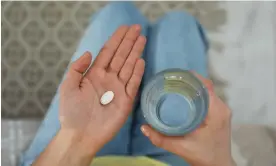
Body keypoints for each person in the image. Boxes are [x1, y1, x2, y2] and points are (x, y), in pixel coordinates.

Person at [21, 2, 235, 166]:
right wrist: (219, 161)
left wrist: (75, 136)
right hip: (170, 162)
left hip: (70, 154)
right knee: (180, 23)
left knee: (119, 11)